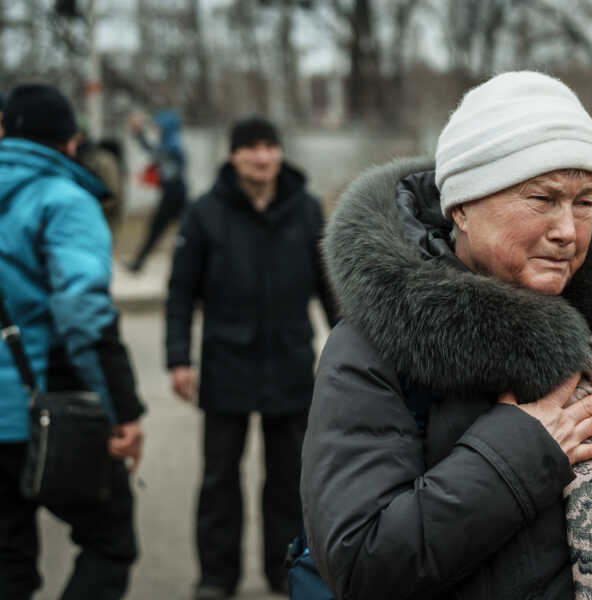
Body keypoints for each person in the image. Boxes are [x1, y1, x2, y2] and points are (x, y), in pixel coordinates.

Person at [301, 71, 592, 599]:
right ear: (462, 206)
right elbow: (360, 563)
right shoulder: (375, 348)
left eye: (584, 202)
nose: (568, 231)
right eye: (542, 198)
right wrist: (522, 450)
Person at [166, 116, 339, 599]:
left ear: (279, 153)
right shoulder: (204, 213)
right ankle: (216, 576)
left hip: (289, 364)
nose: (262, 156)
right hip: (226, 365)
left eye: (269, 146)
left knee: (288, 479)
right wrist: (179, 358)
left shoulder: (305, 209)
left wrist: (349, 345)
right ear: (233, 156)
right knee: (220, 478)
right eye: (251, 148)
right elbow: (181, 292)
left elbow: (328, 287)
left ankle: (282, 570)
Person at [0, 84, 145, 599]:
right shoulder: (66, 200)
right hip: (46, 410)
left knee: (7, 565)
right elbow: (83, 315)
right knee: (110, 542)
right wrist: (122, 412)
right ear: (72, 141)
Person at [125, 109, 188, 273]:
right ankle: (138, 263)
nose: (157, 130)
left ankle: (139, 263)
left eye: (160, 127)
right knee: (161, 229)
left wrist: (140, 131)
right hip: (173, 193)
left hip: (175, 195)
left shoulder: (172, 145)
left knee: (174, 230)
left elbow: (157, 155)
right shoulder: (170, 143)